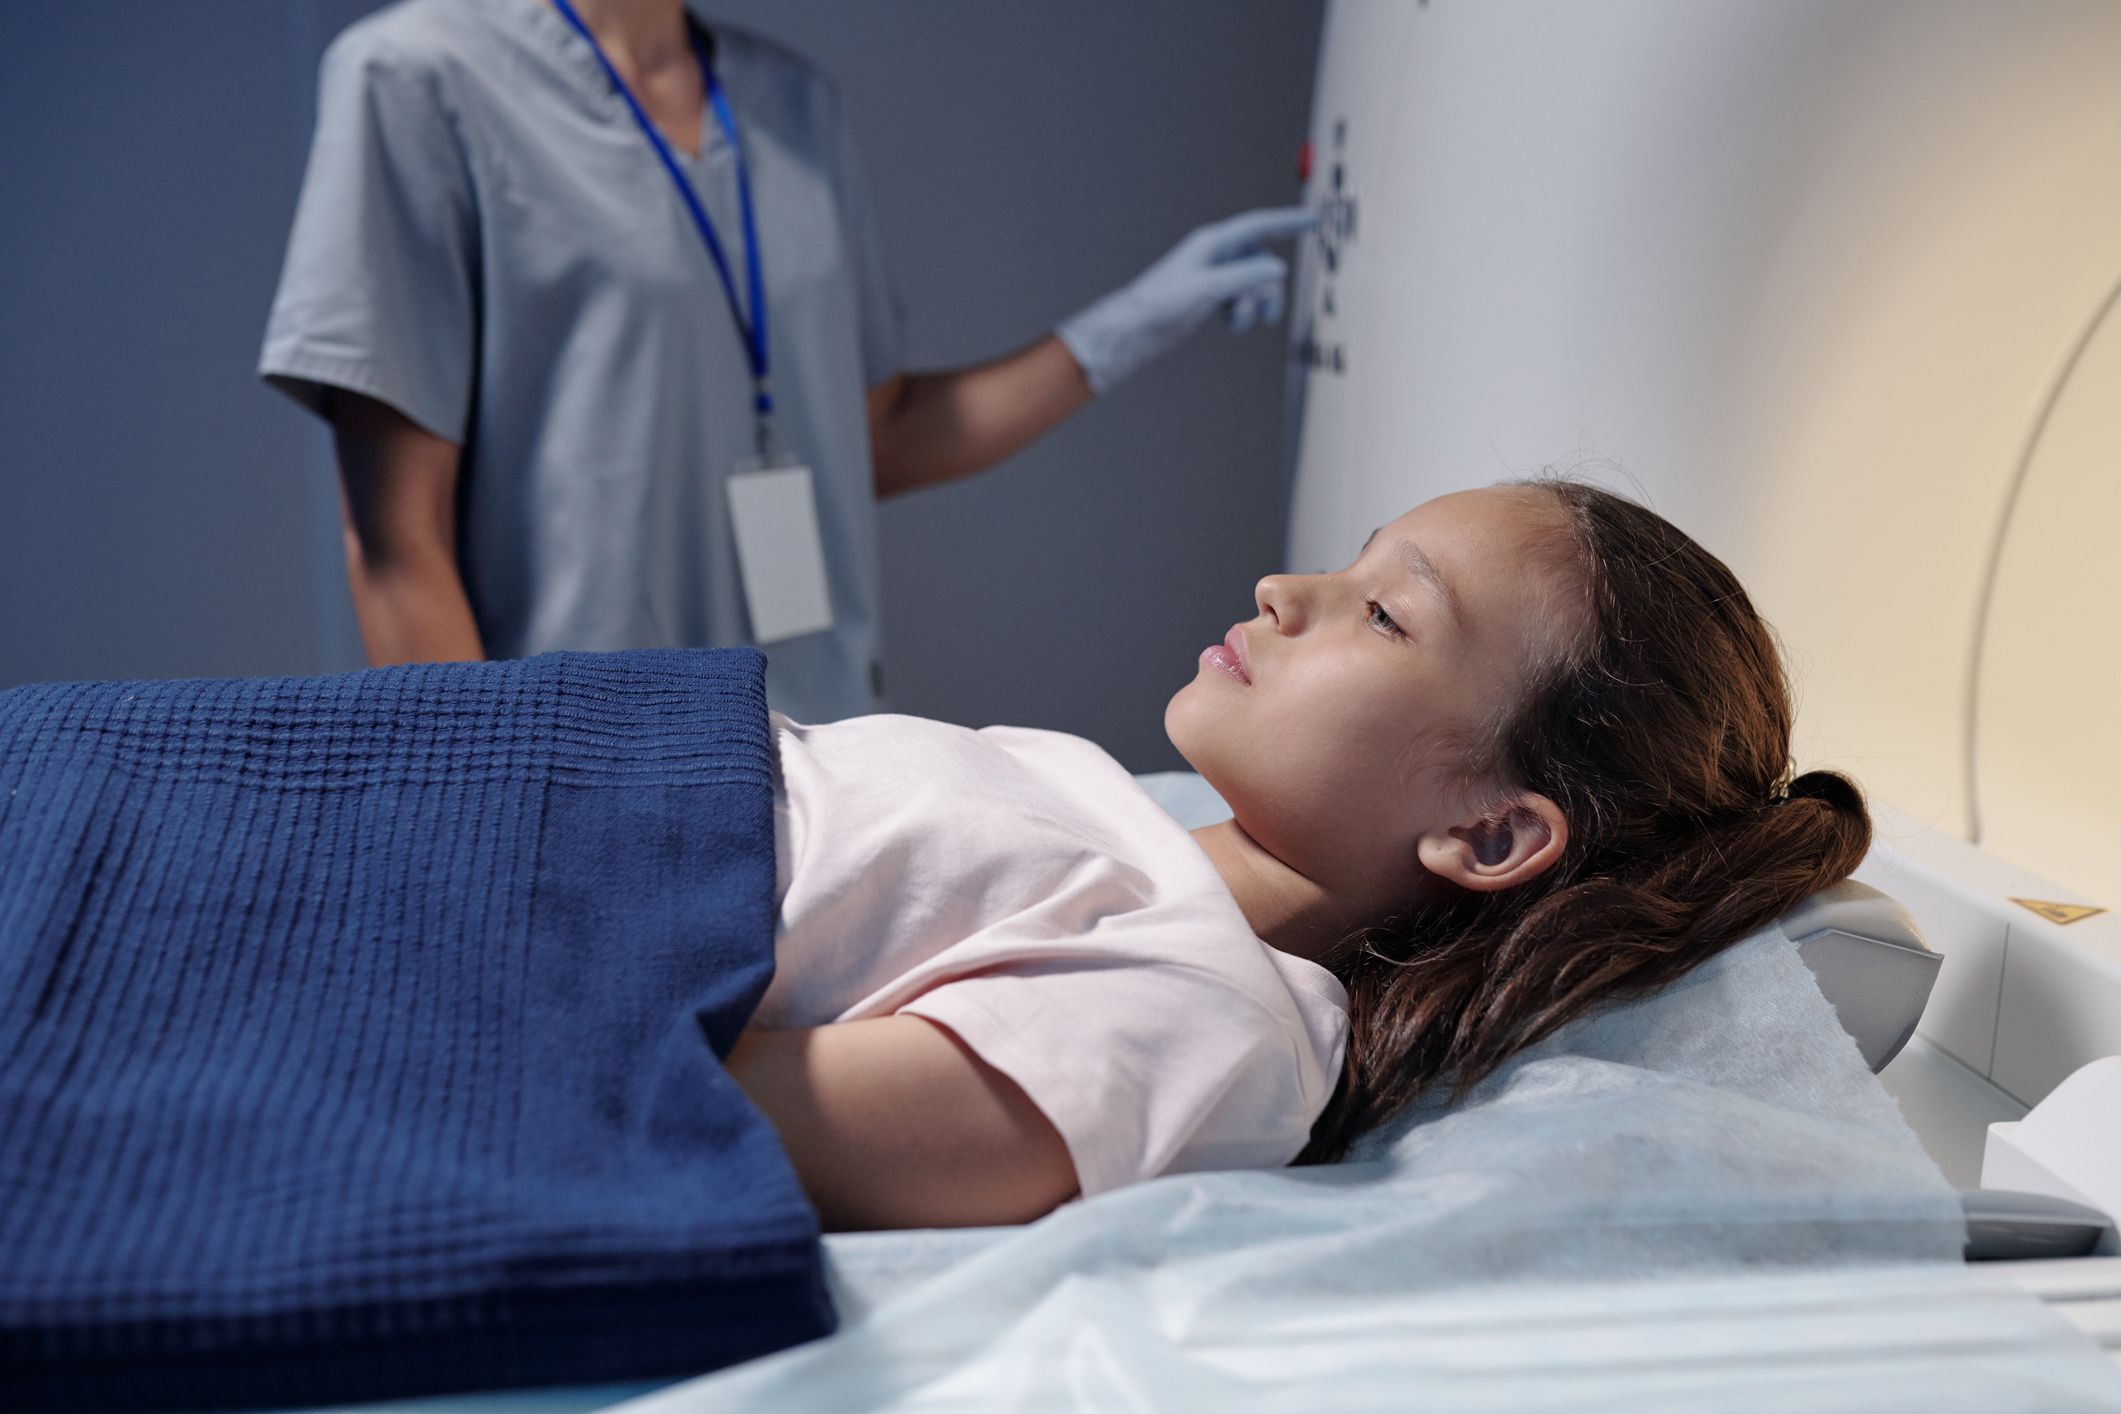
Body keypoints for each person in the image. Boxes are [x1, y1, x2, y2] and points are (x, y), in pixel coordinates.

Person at [724, 479, 1872, 1227]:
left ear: (1490, 831)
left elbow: (654, 1099)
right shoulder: (1110, 806)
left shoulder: (1207, 1015)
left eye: (1386, 615)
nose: (1282, 590)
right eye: (1353, 562)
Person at [259, 0, 1312, 722]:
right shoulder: (416, 79)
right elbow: (397, 545)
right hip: (582, 769)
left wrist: (1129, 322)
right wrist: (500, 823)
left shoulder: (793, 107)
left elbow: (875, 440)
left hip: (824, 755)